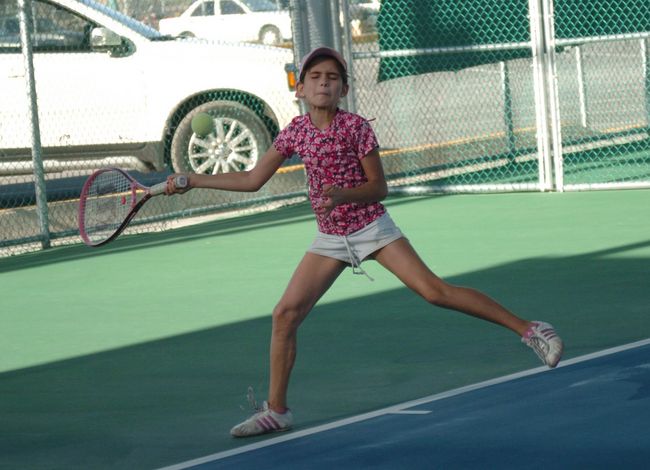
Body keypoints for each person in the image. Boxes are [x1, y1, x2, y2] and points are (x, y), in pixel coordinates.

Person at [165, 46, 564, 438]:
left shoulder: (357, 127)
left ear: (344, 89)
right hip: (330, 237)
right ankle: (278, 411)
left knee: (435, 292)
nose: (324, 84)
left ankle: (531, 330)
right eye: (316, 78)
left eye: (332, 78)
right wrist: (193, 179)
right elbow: (252, 180)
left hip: (372, 228)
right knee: (285, 314)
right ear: (300, 89)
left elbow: (379, 188)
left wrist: (343, 194)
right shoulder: (295, 133)